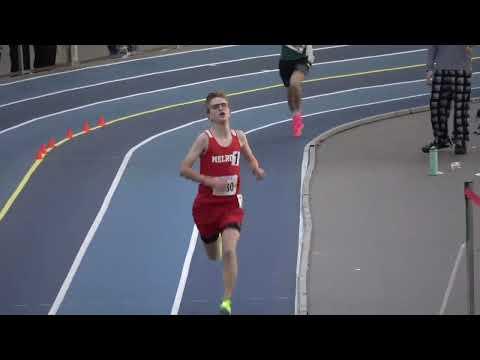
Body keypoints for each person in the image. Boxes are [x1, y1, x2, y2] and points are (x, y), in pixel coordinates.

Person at [180, 91, 265, 315]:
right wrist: (206, 179)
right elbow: (184, 168)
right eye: (216, 107)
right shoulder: (204, 139)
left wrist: (256, 168)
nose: (221, 109)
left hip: (232, 206)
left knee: (229, 251)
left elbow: (249, 156)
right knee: (213, 255)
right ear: (209, 115)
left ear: (229, 110)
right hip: (206, 207)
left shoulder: (240, 137)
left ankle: (226, 301)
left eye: (224, 105)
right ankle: (211, 238)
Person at [423, 45, 473, 155]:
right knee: (436, 107)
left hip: (462, 70)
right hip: (441, 70)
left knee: (461, 109)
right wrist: (429, 68)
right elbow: (433, 47)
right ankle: (441, 139)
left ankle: (460, 141)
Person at [278, 45, 314, 137]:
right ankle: (296, 116)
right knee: (290, 91)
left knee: (294, 83)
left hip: (303, 59)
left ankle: (298, 116)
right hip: (285, 62)